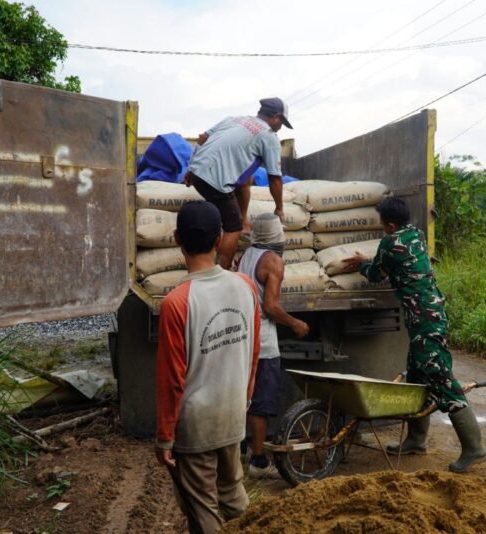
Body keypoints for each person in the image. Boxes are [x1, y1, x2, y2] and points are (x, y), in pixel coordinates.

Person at [342, 197, 486, 473]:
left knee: (443, 381)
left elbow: (376, 274)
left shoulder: (389, 242)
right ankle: (416, 440)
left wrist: (361, 264)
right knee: (417, 377)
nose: (382, 228)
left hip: (425, 321)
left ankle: (474, 448)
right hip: (430, 313)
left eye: (383, 224)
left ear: (391, 224)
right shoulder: (416, 233)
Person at [155, 200, 261, 533]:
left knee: (203, 510)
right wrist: (243, 401)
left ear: (176, 238)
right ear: (219, 240)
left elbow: (172, 379)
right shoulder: (245, 286)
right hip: (232, 413)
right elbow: (252, 353)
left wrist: (164, 437)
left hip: (196, 424)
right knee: (233, 496)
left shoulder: (177, 302)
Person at [237, 213, 310, 478]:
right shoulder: (273, 261)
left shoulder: (246, 255)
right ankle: (258, 461)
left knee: (245, 397)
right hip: (263, 340)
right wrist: (294, 323)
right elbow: (270, 306)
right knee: (262, 402)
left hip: (243, 335)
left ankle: (244, 448)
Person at [183, 97, 292, 269]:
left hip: (197, 172)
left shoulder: (235, 119)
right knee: (232, 227)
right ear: (276, 117)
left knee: (245, 179)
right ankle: (222, 272)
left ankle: (244, 220)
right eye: (282, 123)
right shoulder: (269, 137)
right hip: (216, 182)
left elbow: (202, 138)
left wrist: (190, 168)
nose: (280, 127)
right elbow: (275, 178)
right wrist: (279, 208)